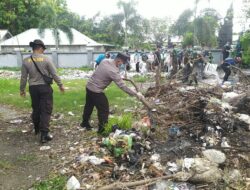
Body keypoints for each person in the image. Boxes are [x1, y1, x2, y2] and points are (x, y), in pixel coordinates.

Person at [80, 52, 144, 134]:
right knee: (104, 109)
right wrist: (136, 94)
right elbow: (122, 86)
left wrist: (118, 77)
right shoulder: (113, 71)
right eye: (122, 63)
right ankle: (102, 130)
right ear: (118, 61)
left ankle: (84, 123)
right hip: (96, 90)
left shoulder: (105, 61)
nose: (122, 65)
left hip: (89, 86)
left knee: (89, 105)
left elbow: (105, 72)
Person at [20, 39, 65, 143]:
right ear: (40, 48)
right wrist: (60, 85)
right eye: (43, 49)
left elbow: (23, 78)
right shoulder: (46, 59)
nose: (43, 51)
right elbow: (54, 74)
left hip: (33, 88)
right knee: (46, 110)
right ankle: (44, 134)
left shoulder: (26, 60)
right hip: (45, 87)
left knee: (36, 108)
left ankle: (37, 128)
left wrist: (22, 90)